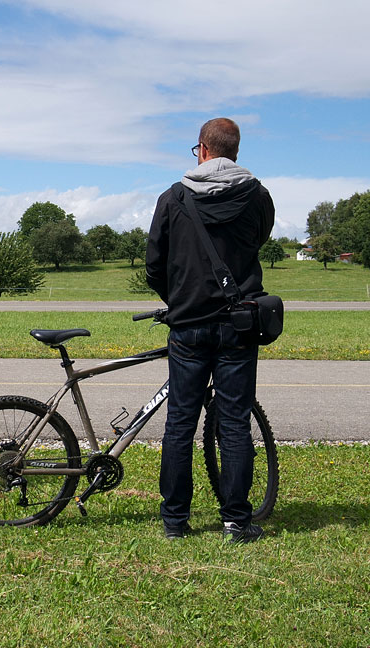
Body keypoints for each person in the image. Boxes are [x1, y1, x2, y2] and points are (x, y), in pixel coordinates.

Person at [145, 118, 275, 543]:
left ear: (202, 149)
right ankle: (236, 521)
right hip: (239, 325)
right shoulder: (258, 197)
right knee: (235, 424)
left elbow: (154, 265)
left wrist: (179, 299)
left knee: (179, 424)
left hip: (187, 326)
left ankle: (175, 520)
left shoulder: (174, 197)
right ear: (235, 151)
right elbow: (257, 242)